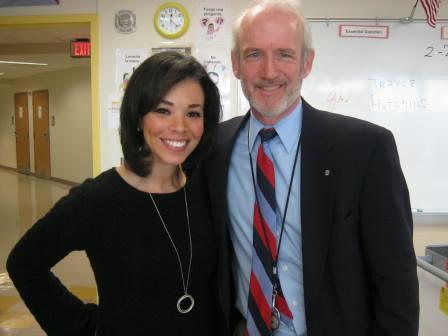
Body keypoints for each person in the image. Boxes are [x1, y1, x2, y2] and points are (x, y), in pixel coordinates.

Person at [204, 1, 419, 335]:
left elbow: (397, 285)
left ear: (307, 62)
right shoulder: (214, 148)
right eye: (254, 54)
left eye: (285, 55)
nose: (269, 72)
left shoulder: (365, 149)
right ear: (235, 63)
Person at [7, 51, 225, 335]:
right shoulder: (99, 199)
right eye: (163, 110)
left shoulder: (204, 188)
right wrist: (83, 327)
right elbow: (25, 263)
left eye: (193, 113)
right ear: (138, 117)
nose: (180, 126)